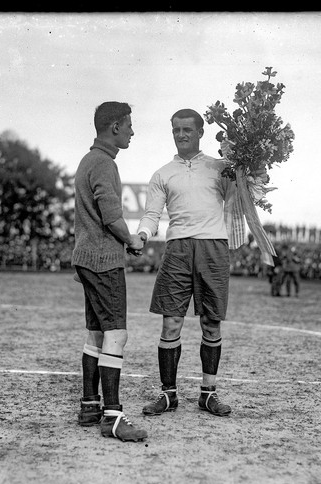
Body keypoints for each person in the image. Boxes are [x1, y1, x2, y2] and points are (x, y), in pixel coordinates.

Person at [137, 108, 235, 418]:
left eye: (187, 130)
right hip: (177, 248)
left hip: (213, 247)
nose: (181, 135)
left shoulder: (221, 168)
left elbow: (244, 195)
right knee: (171, 322)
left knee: (211, 321)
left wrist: (254, 172)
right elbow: (152, 214)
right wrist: (142, 234)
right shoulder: (163, 173)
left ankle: (208, 393)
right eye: (176, 130)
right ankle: (169, 394)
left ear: (200, 132)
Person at [71, 101, 148, 442]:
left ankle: (90, 405)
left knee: (96, 335)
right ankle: (113, 418)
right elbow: (111, 215)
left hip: (87, 259)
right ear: (114, 127)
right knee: (117, 335)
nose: (132, 131)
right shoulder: (103, 163)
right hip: (104, 261)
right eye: (129, 125)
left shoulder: (89, 160)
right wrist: (132, 241)